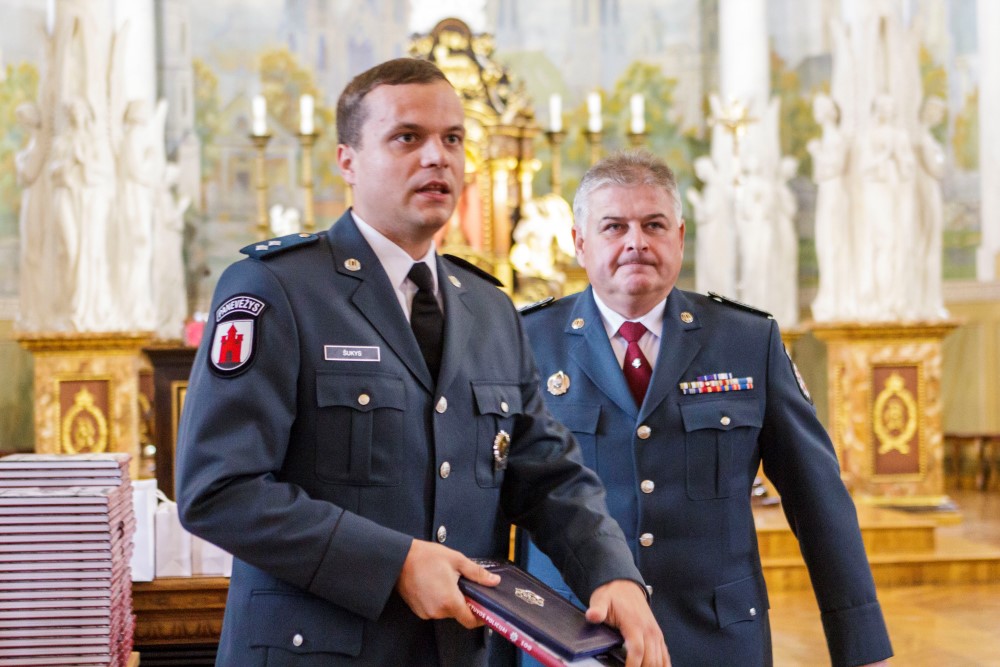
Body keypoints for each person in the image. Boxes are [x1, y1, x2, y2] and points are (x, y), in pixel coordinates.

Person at [175, 58, 668, 666]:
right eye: (408, 138)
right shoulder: (277, 289)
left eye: (453, 139)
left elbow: (547, 473)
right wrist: (395, 564)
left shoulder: (488, 307)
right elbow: (218, 490)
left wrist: (610, 573)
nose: (438, 157)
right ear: (347, 161)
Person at [519, 150, 893, 667]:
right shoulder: (524, 341)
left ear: (679, 237)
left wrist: (862, 646)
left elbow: (818, 500)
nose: (635, 242)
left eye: (653, 225)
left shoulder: (747, 340)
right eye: (614, 227)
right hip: (570, 636)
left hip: (716, 640)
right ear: (580, 243)